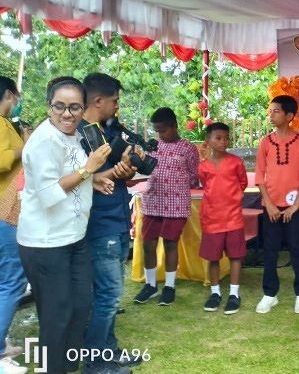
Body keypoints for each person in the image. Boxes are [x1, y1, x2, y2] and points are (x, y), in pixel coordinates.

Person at [17, 77, 112, 374]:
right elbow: (48, 194)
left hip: (74, 238)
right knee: (57, 316)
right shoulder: (43, 140)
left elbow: (71, 174)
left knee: (81, 306)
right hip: (45, 244)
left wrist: (92, 179)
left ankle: (67, 366)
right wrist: (89, 169)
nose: (67, 114)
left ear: (83, 109)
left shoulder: (75, 134)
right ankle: (52, 369)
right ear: (49, 107)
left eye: (74, 107)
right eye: (60, 106)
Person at [79, 73, 140, 373]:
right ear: (99, 100)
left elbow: (112, 177)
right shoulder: (80, 134)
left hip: (114, 219)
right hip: (100, 225)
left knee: (109, 295)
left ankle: (109, 351)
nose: (117, 107)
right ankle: (95, 364)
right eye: (114, 101)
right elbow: (87, 179)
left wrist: (126, 168)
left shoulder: (100, 131)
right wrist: (114, 173)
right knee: (107, 296)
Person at [134, 107, 199, 306]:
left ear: (174, 126)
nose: (160, 134)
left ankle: (169, 287)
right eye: (157, 131)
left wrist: (177, 184)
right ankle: (151, 285)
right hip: (153, 200)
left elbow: (194, 176)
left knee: (171, 243)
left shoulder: (188, 148)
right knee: (148, 243)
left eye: (163, 130)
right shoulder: (152, 146)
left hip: (176, 203)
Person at [254, 95, 299, 314]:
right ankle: (270, 294)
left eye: (276, 111)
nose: (271, 114)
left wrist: (295, 205)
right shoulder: (265, 142)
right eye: (270, 110)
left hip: (295, 207)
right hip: (271, 206)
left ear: (289, 116)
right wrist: (268, 204)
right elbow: (260, 175)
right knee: (270, 250)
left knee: (297, 248)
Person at [197, 122, 248, 315]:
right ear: (208, 140)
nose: (223, 142)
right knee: (213, 257)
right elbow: (205, 184)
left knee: (235, 256)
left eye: (226, 138)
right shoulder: (203, 167)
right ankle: (215, 292)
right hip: (211, 218)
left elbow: (242, 183)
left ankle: (234, 294)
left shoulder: (236, 162)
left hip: (233, 217)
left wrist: (231, 200)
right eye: (218, 138)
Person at [0, 77, 30, 374]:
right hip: (4, 212)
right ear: (9, 95)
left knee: (5, 281)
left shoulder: (7, 123)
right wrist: (23, 149)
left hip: (8, 210)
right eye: (16, 96)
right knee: (11, 281)